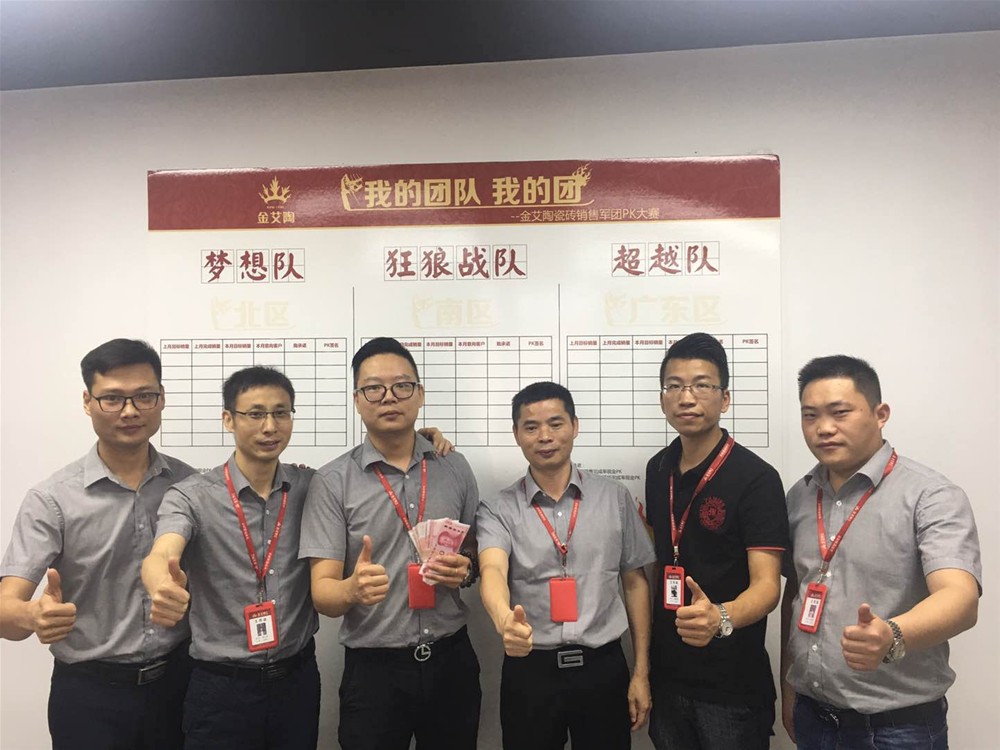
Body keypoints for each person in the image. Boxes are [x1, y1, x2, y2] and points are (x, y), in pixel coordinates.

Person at [0, 338, 195, 750]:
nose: (130, 411)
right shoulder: (52, 499)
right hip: (89, 697)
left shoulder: (190, 486)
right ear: (88, 402)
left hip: (180, 686)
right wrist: (33, 615)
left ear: (161, 399)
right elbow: (4, 610)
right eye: (112, 398)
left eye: (144, 396)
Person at [780, 355, 981, 750]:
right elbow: (797, 594)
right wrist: (790, 690)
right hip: (812, 715)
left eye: (840, 412)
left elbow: (960, 598)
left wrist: (892, 634)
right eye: (810, 415)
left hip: (897, 728)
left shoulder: (930, 496)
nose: (824, 428)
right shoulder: (800, 496)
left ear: (880, 414)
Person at [300, 336, 481, 750]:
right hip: (374, 673)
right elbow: (323, 594)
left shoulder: (454, 466)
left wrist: (466, 568)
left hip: (451, 661)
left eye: (401, 386)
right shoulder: (333, 481)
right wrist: (351, 590)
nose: (388, 397)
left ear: (420, 394)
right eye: (373, 388)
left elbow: (474, 551)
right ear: (357, 400)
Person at [142, 366, 320, 749]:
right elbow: (163, 551)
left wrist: (421, 439)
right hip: (221, 689)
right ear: (228, 419)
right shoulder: (191, 496)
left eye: (281, 413)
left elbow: (358, 476)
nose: (270, 426)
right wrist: (161, 585)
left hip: (297, 682)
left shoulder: (311, 486)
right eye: (255, 414)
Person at [478, 381, 655, 750]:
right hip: (531, 671)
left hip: (603, 667)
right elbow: (492, 570)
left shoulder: (614, 498)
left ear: (575, 426)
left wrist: (641, 671)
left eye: (555, 423)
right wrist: (503, 618)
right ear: (516, 434)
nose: (545, 436)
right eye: (531, 427)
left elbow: (635, 582)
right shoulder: (498, 508)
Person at [644, 333, 788, 750]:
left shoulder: (756, 478)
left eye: (701, 385)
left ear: (725, 399)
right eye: (674, 386)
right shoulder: (657, 469)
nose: (686, 397)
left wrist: (720, 617)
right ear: (663, 399)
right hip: (667, 678)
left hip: (730, 686)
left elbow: (767, 586)